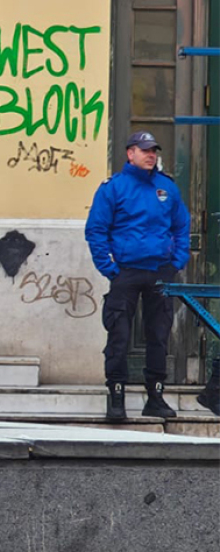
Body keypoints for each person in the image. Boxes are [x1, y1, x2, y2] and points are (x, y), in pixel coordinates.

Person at [85, 131, 191, 421]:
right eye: (144, 150)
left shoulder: (167, 188)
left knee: (158, 336)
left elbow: (182, 225)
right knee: (118, 334)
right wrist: (110, 268)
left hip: (160, 272)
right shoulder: (113, 188)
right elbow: (96, 230)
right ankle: (116, 397)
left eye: (153, 151)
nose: (151, 155)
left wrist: (177, 261)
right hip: (126, 272)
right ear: (129, 153)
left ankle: (155, 397)